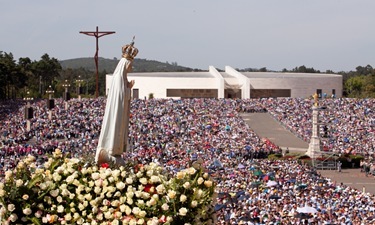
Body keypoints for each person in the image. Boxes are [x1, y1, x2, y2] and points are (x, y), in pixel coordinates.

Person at [95, 38, 138, 165]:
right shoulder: (118, 79)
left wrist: (128, 87)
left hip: (121, 110)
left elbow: (123, 94)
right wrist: (127, 89)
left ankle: (116, 151)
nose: (131, 68)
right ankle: (111, 150)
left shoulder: (122, 79)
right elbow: (120, 96)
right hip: (117, 110)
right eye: (130, 65)